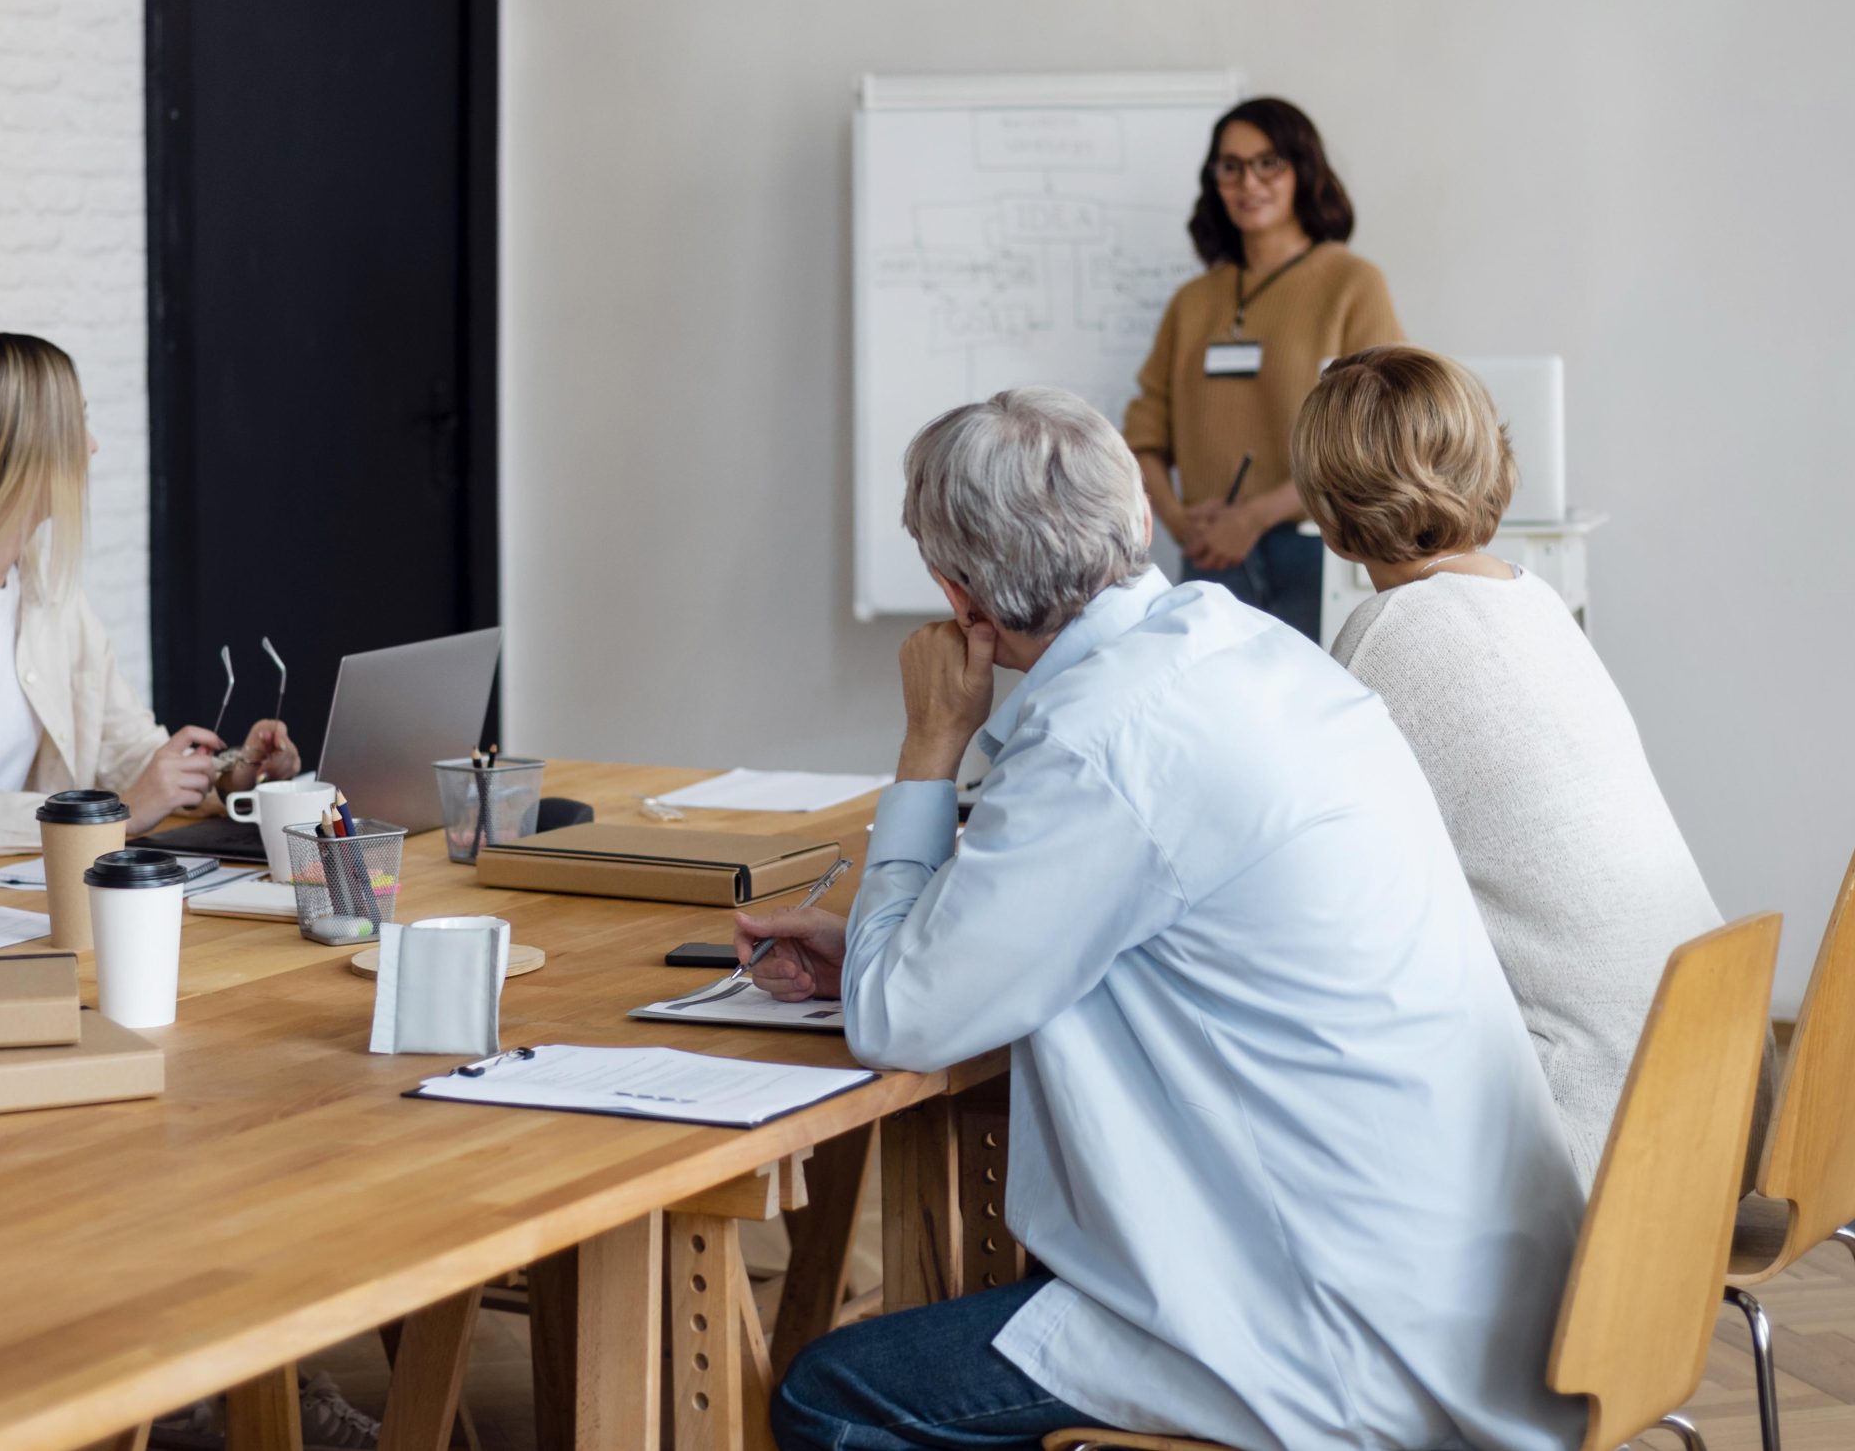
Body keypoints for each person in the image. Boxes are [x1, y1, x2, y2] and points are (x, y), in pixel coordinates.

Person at [738, 387, 1582, 1451]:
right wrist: (893, 928)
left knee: (831, 1391)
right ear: (1138, 517)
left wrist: (929, 744)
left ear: (957, 595)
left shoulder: (1097, 743)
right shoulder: (1246, 648)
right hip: (1488, 1286)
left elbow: (900, 1018)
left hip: (1341, 1332)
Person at [1292, 345, 1741, 1186]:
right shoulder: (1532, 598)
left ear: (1332, 502)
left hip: (1606, 1132)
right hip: (1719, 1086)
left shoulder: (1388, 633)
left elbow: (1317, 885)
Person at [0, 333, 300, 868]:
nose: (91, 445)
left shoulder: (47, 589)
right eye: (77, 423)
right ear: (17, 446)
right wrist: (112, 815)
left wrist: (233, 773)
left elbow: (128, 754)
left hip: (10, 893)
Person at [1123, 97, 1403, 641]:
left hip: (1319, 545)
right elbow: (1142, 437)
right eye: (1231, 166)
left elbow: (1377, 431)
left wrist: (1253, 517)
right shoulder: (1192, 302)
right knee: (1216, 720)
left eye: (1268, 163)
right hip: (1210, 554)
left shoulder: (1352, 284)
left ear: (1304, 171)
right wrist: (1181, 525)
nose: (1248, 183)